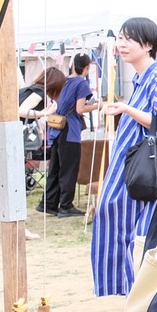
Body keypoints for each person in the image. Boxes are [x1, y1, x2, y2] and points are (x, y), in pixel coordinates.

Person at [90, 17, 157, 297]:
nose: (121, 45)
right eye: (120, 38)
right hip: (134, 167)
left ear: (147, 44)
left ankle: (154, 292)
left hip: (146, 167)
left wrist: (125, 109)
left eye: (128, 39)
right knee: (117, 217)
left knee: (147, 230)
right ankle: (132, 289)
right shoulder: (140, 78)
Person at [40, 52, 100, 217]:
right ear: (86, 68)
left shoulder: (64, 81)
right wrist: (98, 106)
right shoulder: (81, 83)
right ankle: (66, 205)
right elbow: (80, 109)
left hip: (56, 129)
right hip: (70, 130)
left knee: (55, 168)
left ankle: (49, 203)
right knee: (69, 169)